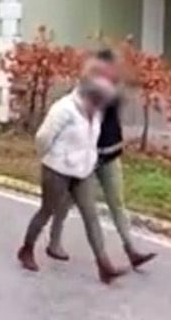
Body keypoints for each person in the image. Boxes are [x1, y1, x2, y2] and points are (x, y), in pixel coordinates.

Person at [17, 60, 127, 285]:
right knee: (47, 211)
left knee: (91, 215)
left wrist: (90, 160)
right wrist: (52, 158)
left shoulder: (96, 111)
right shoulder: (64, 108)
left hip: (83, 170)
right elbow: (42, 138)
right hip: (57, 169)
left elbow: (92, 139)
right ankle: (26, 249)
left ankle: (104, 265)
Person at [47, 50, 157, 270]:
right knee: (67, 202)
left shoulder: (114, 89)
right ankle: (54, 242)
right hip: (85, 157)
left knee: (117, 203)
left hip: (110, 154)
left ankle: (131, 250)